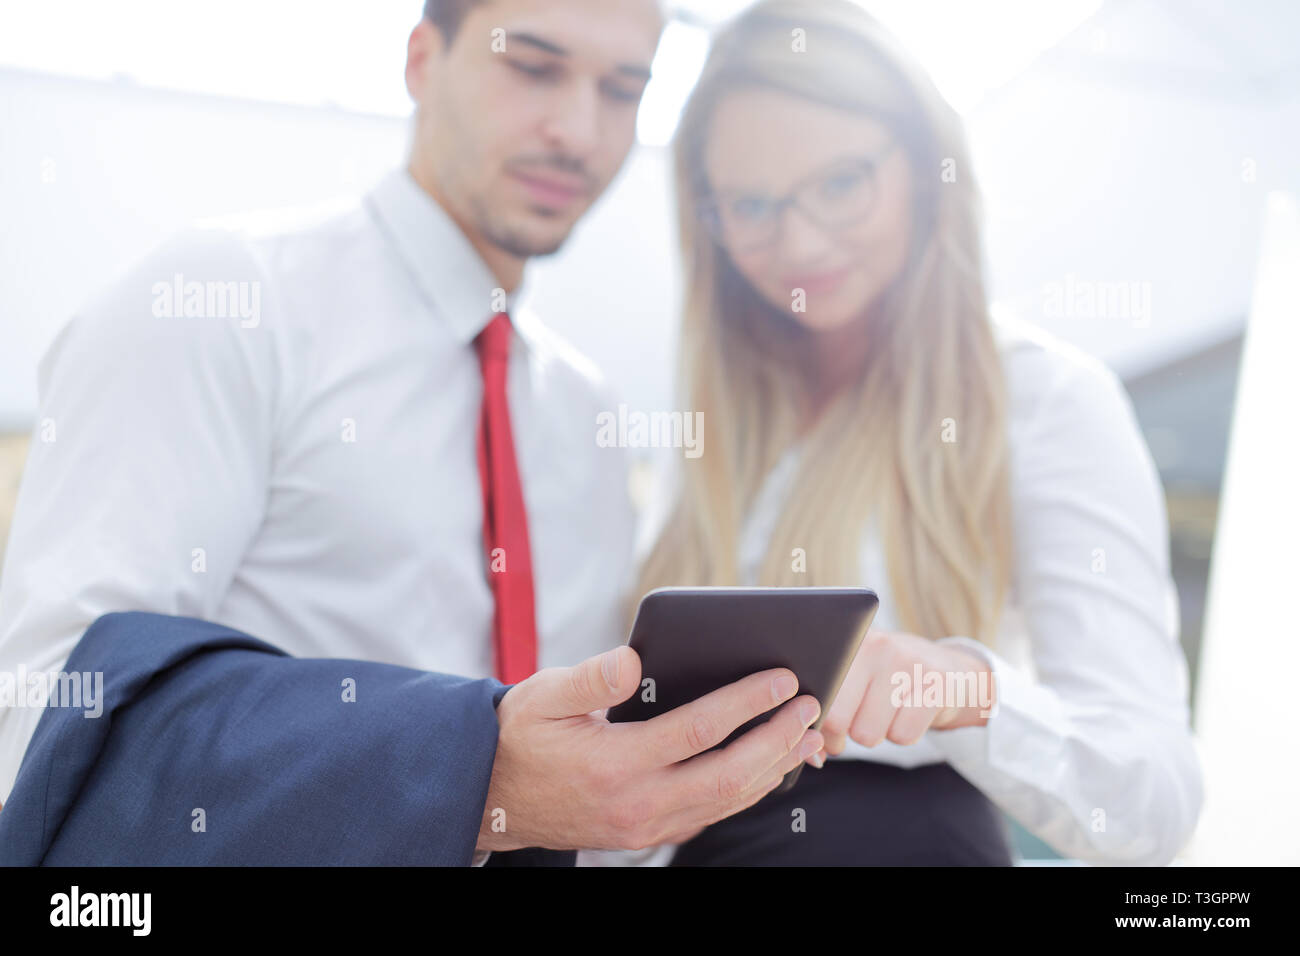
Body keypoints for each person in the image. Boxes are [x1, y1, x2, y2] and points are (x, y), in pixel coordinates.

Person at [0, 0, 826, 864]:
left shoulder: (588, 417)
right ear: (422, 61)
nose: (579, 131)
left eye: (622, 90)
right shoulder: (221, 306)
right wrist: (472, 777)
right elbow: (53, 731)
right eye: (534, 66)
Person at [623, 0, 1203, 865]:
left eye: (842, 184)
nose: (800, 241)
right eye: (751, 204)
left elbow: (1154, 803)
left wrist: (959, 687)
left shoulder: (1042, 400)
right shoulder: (714, 425)